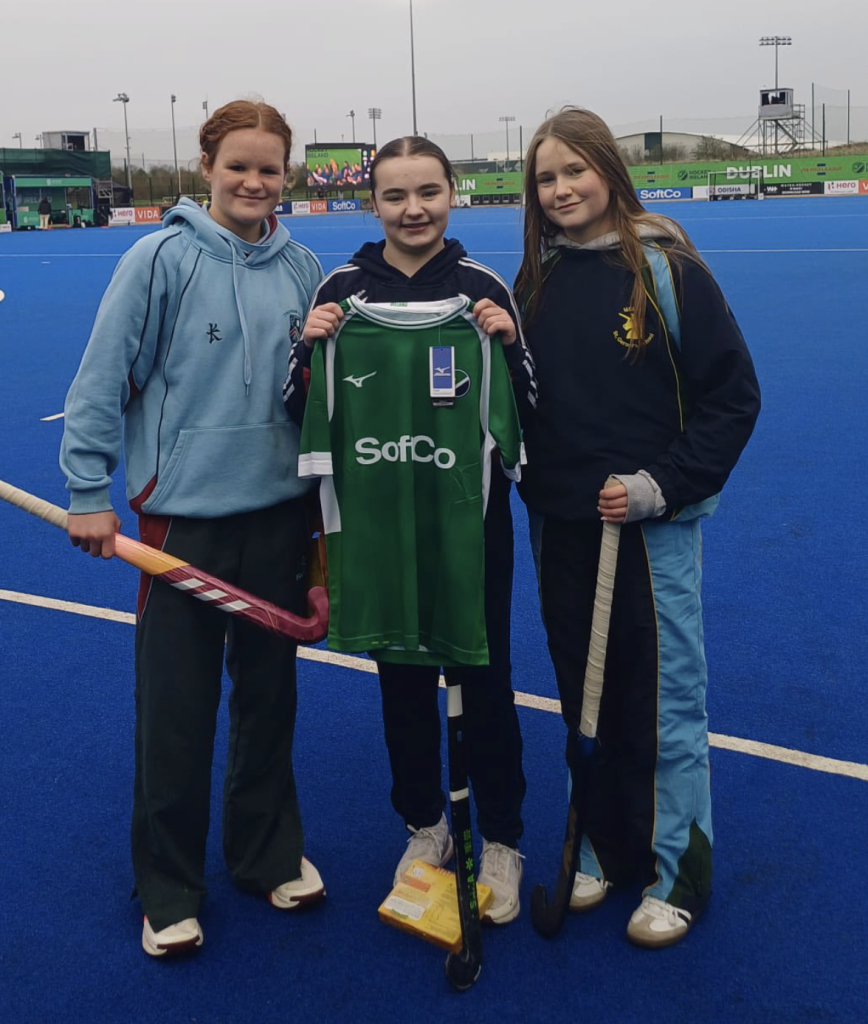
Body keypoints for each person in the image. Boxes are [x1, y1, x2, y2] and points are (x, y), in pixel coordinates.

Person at [60, 100, 326, 958]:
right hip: (181, 523)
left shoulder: (305, 267)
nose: (254, 182)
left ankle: (266, 853)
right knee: (175, 711)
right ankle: (168, 886)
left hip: (279, 517)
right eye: (237, 165)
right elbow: (103, 377)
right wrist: (87, 489)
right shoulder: (159, 258)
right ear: (206, 166)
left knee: (269, 701)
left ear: (286, 175)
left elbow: (323, 401)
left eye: (269, 168)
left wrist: (327, 516)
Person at [515, 107, 760, 948]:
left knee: (661, 701)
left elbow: (734, 398)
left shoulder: (666, 268)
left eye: (574, 171)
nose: (560, 189)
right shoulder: (534, 281)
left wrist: (661, 487)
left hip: (649, 531)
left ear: (609, 172)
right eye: (546, 178)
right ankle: (604, 849)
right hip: (561, 526)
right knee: (584, 695)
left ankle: (676, 871)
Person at [285, 136, 537, 924]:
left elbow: (528, 408)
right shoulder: (341, 289)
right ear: (373, 204)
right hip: (379, 526)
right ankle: (425, 824)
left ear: (452, 193)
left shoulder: (482, 289)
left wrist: (505, 344)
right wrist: (309, 347)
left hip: (470, 526)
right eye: (395, 195)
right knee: (398, 677)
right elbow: (297, 408)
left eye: (427, 191)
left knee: (484, 678)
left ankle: (502, 836)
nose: (413, 208)